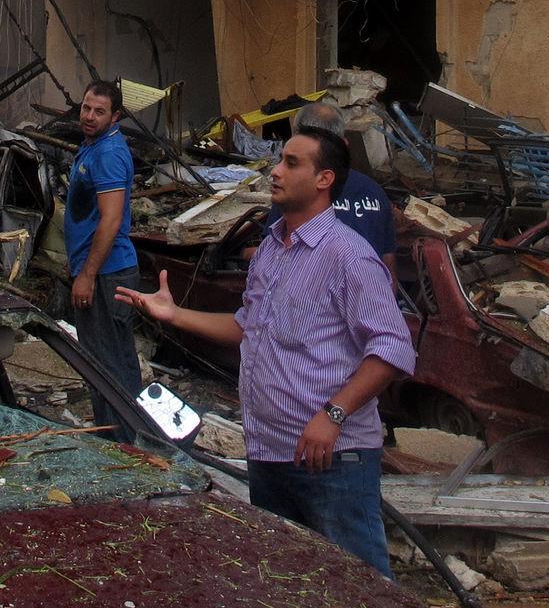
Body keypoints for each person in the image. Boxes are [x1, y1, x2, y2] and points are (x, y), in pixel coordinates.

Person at [119, 126, 413, 573]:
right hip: (269, 453)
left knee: (363, 597)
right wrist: (175, 315)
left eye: (291, 163)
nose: (275, 171)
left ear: (324, 179)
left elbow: (392, 347)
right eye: (279, 160)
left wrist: (333, 415)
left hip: (331, 461)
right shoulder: (272, 250)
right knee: (288, 589)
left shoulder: (349, 256)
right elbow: (248, 327)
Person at [61, 81, 144, 443]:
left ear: (116, 117)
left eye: (99, 111)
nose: (89, 116)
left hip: (108, 276)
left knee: (111, 371)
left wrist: (87, 275)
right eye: (85, 108)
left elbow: (110, 221)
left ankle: (129, 449)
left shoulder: (109, 153)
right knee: (102, 366)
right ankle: (118, 442)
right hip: (99, 272)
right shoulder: (93, 145)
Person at [287, 100, 395, 261]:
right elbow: (388, 267)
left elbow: (276, 253)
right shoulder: (375, 192)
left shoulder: (294, 192)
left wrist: (241, 253)